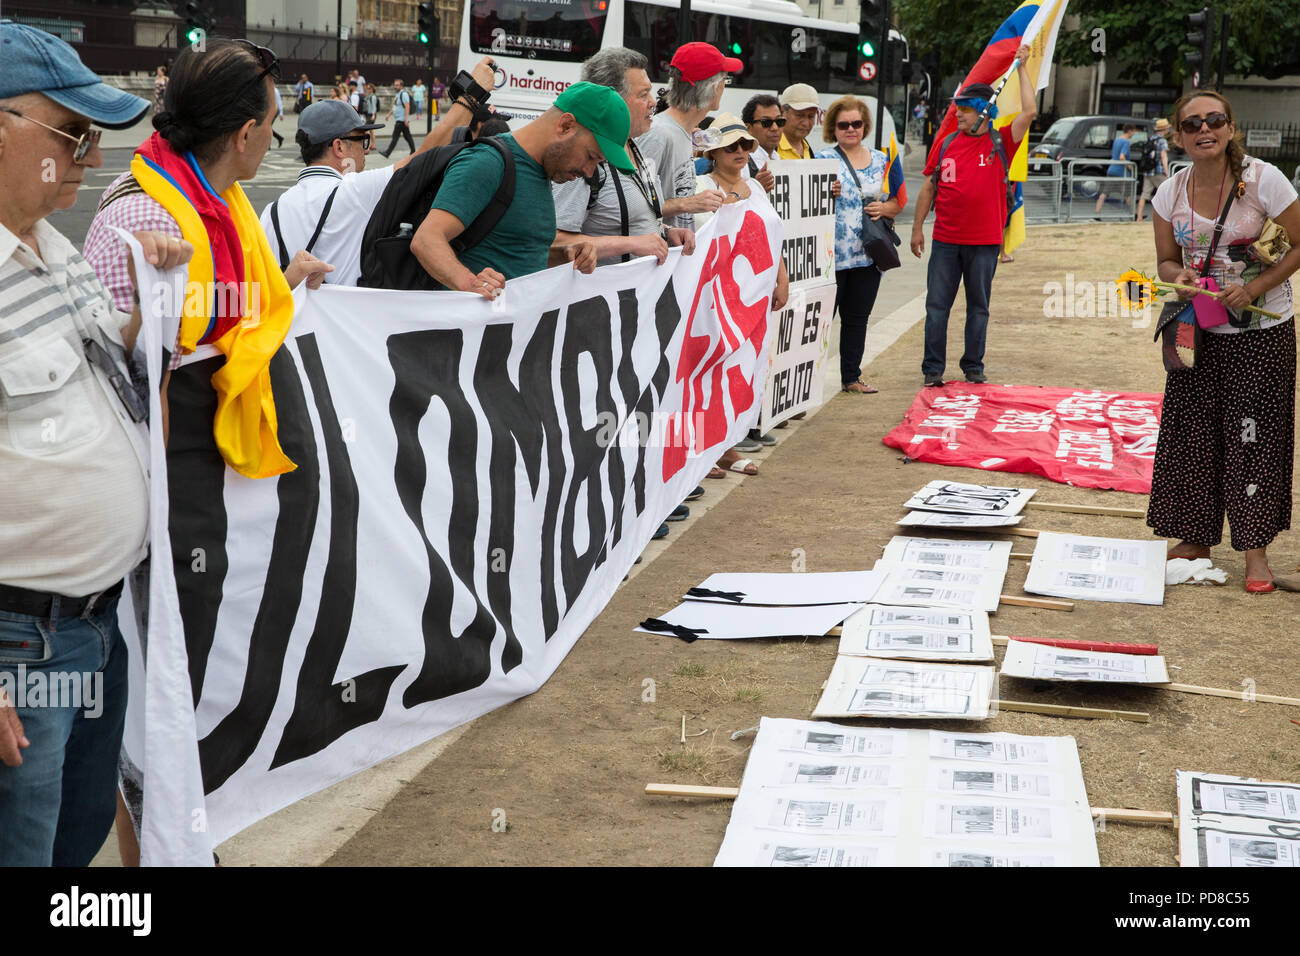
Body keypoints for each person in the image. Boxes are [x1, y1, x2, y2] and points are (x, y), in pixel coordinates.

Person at [0, 22, 192, 867]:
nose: (89, 157)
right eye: (72, 134)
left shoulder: (52, 248)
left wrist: (151, 303)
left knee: (73, 844)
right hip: (19, 644)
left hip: (93, 625)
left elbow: (105, 361)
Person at [1147, 89, 1300, 592]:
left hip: (1262, 331)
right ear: (1180, 135)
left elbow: (1299, 242)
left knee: (1251, 435)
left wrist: (1253, 287)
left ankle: (1256, 555)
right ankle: (1194, 537)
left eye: (1214, 120)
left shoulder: (1262, 179)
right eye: (1192, 124)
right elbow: (1166, 262)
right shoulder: (1170, 191)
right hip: (1201, 327)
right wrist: (1180, 278)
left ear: (1231, 128)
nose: (1204, 129)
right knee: (1194, 435)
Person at [410, 82, 629, 295]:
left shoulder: (542, 170)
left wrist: (565, 255)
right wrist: (470, 283)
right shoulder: (488, 162)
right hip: (468, 327)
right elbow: (426, 240)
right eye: (591, 156)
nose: (589, 172)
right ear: (565, 125)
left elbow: (515, 251)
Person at [909, 45, 1035, 387]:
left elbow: (1029, 110)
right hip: (946, 241)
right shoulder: (947, 142)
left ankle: (973, 365)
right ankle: (932, 369)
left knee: (978, 307)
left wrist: (1021, 68)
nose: (958, 115)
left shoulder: (1001, 140)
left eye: (964, 110)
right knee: (937, 307)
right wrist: (917, 228)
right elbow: (928, 188)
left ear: (983, 111)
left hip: (985, 242)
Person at [692, 114, 791, 477]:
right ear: (714, 152)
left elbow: (774, 236)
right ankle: (703, 449)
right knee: (709, 371)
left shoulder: (758, 188)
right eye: (730, 145)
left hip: (755, 296)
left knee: (744, 370)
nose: (739, 151)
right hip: (715, 296)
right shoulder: (701, 186)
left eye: (745, 145)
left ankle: (728, 447)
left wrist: (782, 277)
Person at [552, 47, 694, 267]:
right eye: (642, 94)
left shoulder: (633, 144)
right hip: (598, 297)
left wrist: (666, 232)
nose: (653, 102)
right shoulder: (585, 159)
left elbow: (632, 219)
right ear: (612, 100)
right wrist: (631, 244)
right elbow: (554, 242)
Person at [816, 96, 902, 396]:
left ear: (864, 126)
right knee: (822, 324)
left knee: (857, 319)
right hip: (831, 258)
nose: (850, 129)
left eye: (856, 123)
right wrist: (825, 192)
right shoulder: (823, 159)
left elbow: (898, 201)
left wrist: (884, 209)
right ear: (833, 128)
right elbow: (811, 205)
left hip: (868, 256)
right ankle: (810, 385)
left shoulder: (883, 159)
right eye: (843, 125)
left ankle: (851, 377)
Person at [635, 42, 737, 232]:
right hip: (655, 256)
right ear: (714, 88)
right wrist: (688, 203)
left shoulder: (680, 132)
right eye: (725, 79)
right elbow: (635, 205)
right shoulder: (658, 133)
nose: (725, 85)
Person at [741, 93, 780, 192]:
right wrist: (755, 188)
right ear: (749, 128)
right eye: (766, 122)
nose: (775, 128)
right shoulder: (741, 163)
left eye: (780, 122)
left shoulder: (777, 157)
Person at [1095, 123, 1136, 216]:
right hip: (1122, 172)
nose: (1133, 134)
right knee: (1128, 194)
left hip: (1112, 169)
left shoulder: (1117, 139)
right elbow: (1122, 157)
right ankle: (1133, 214)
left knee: (1104, 193)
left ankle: (1097, 213)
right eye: (1133, 132)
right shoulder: (1126, 142)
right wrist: (1129, 166)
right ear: (1130, 131)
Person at [1136, 117, 1171, 223]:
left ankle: (1139, 217)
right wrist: (1167, 171)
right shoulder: (1162, 141)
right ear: (1164, 129)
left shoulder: (1151, 139)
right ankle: (1168, 217)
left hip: (1148, 171)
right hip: (1158, 171)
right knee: (1168, 193)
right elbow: (1163, 156)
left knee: (1144, 194)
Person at [777, 83, 819, 159]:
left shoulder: (808, 149)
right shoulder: (769, 148)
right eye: (800, 115)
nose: (806, 123)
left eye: (811, 116)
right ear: (782, 112)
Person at [381, 78, 416, 157]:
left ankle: (387, 152)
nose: (395, 86)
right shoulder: (398, 94)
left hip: (402, 119)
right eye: (395, 85)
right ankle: (413, 151)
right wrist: (388, 114)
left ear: (401, 86)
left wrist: (406, 119)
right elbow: (395, 106)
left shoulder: (404, 94)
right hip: (400, 119)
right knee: (407, 136)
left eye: (397, 85)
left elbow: (407, 106)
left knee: (395, 136)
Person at [271, 81, 284, 147]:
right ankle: (279, 138)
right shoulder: (269, 90)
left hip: (274, 111)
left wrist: (281, 113)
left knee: (267, 127)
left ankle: (268, 145)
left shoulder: (275, 91)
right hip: (269, 110)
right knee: (268, 127)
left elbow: (279, 102)